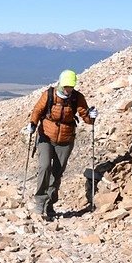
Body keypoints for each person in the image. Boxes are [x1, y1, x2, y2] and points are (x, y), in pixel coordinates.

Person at [27, 69, 98, 218]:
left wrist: (92, 117)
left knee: (57, 173)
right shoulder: (49, 95)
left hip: (65, 140)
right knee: (44, 166)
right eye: (66, 86)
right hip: (45, 136)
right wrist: (32, 124)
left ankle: (49, 204)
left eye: (71, 86)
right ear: (60, 84)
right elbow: (37, 110)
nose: (68, 89)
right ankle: (40, 201)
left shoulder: (77, 98)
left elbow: (85, 116)